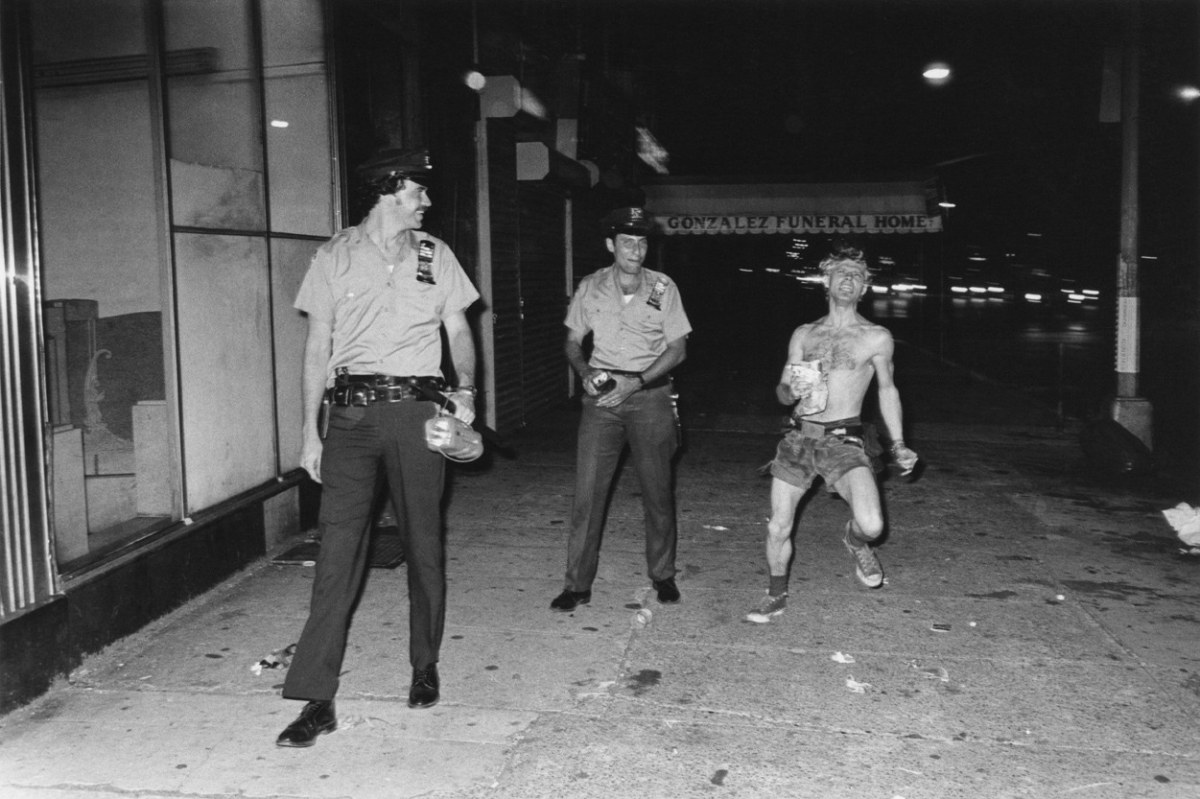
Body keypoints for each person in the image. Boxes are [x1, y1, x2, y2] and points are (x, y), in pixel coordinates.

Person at [276, 147, 480, 747]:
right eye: (419, 191)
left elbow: (459, 329)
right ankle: (316, 699)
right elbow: (317, 346)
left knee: (423, 543)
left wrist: (466, 389)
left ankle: (424, 665)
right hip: (351, 416)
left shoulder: (435, 254)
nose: (427, 201)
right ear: (391, 190)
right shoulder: (333, 256)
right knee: (337, 553)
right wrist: (308, 430)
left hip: (418, 414)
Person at [746, 245, 918, 624]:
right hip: (798, 440)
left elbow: (888, 389)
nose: (849, 279)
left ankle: (855, 541)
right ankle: (776, 595)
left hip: (844, 440)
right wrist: (789, 391)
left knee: (872, 525)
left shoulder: (876, 337)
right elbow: (782, 390)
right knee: (778, 525)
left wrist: (899, 444)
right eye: (842, 272)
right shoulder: (804, 334)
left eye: (857, 275)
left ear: (864, 288)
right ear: (827, 281)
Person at [551, 207, 692, 613]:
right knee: (588, 494)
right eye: (628, 242)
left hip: (651, 397)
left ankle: (663, 575)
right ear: (611, 245)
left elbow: (678, 349)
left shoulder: (663, 286)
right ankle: (577, 585)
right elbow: (572, 341)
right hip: (603, 399)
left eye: (642, 241)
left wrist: (639, 381)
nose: (636, 249)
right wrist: (584, 371)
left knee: (658, 492)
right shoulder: (591, 285)